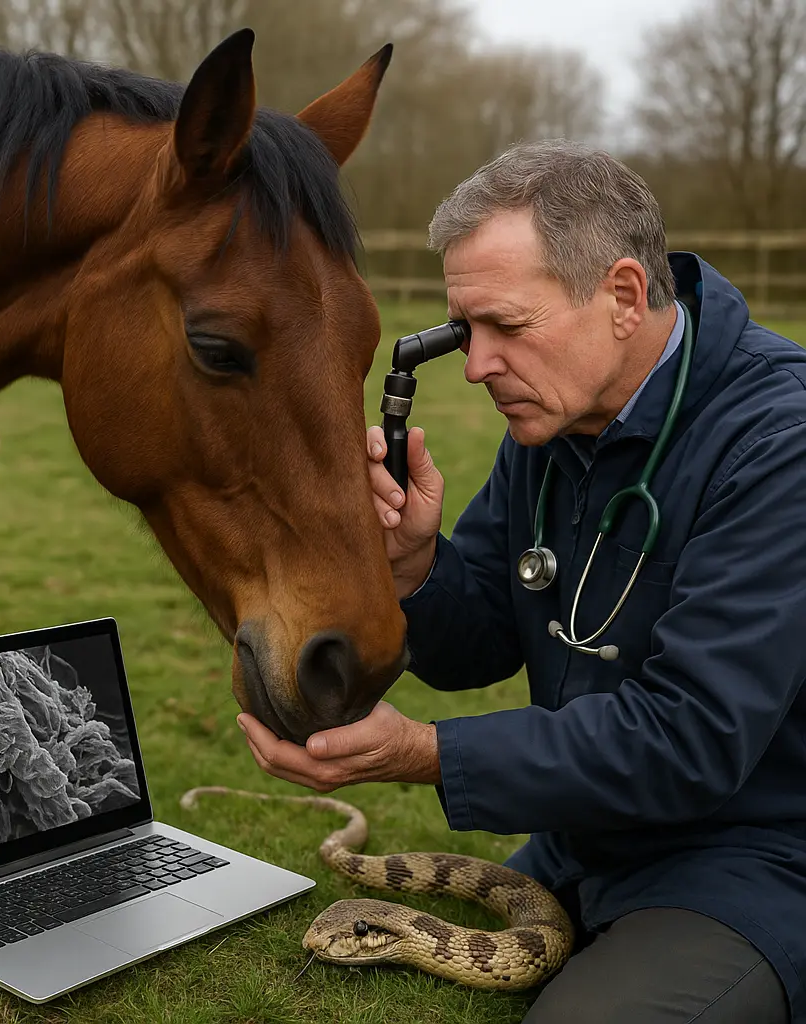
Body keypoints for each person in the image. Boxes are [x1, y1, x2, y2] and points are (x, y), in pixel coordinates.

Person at [235, 139, 806, 1022]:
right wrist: (417, 567)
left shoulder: (779, 444)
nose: (475, 366)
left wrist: (425, 754)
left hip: (751, 862)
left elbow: (691, 738)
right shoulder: (557, 419)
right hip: (579, 841)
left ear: (620, 295)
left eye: (508, 326)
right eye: (466, 331)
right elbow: (488, 640)